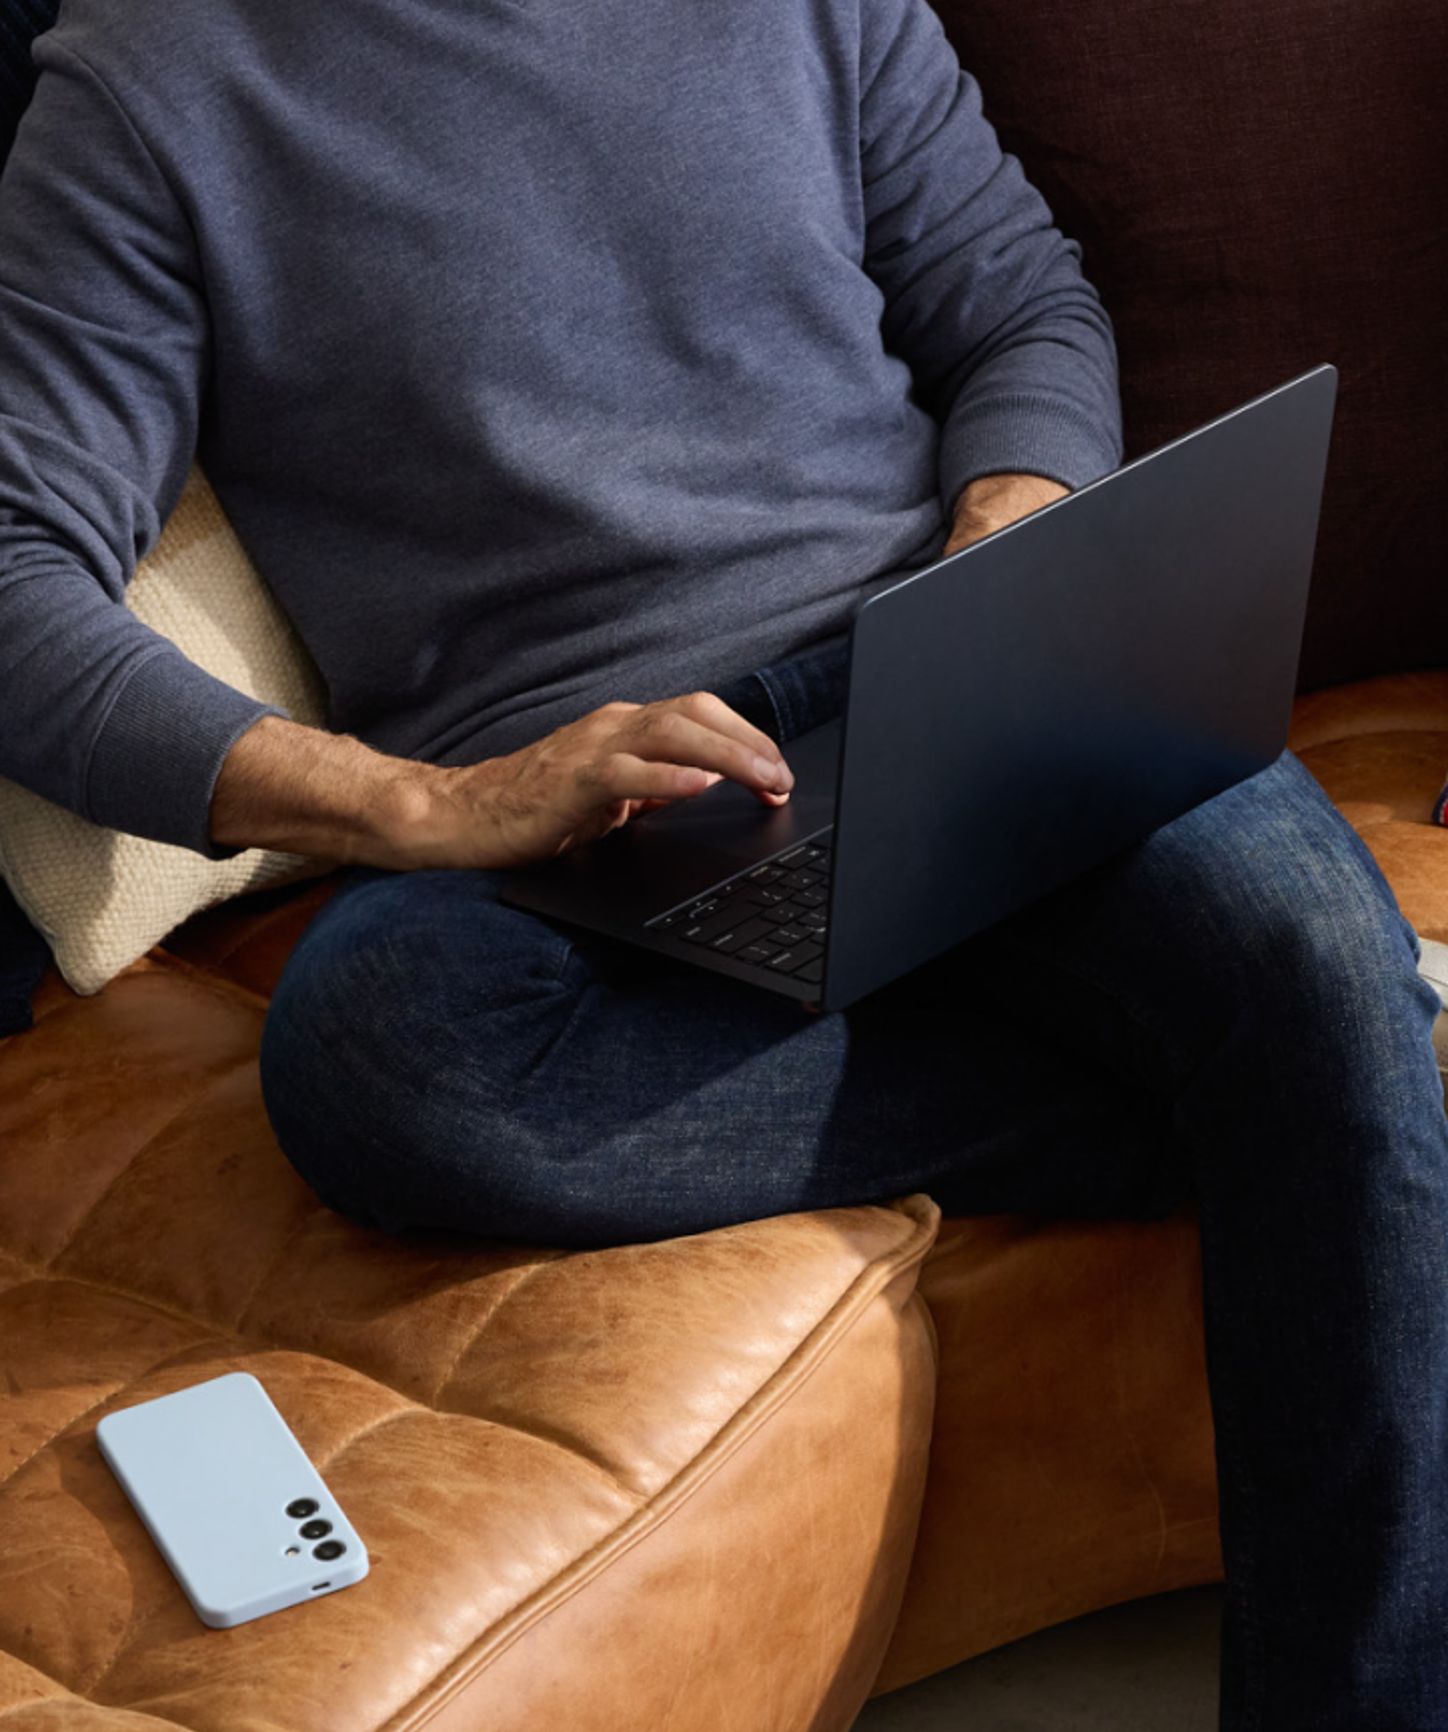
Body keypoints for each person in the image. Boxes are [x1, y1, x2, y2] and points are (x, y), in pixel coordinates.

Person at [0, 1, 1443, 1725]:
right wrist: (424, 808)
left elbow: (1017, 293)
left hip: (949, 661)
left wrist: (1014, 527)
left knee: (1302, 957)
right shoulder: (148, 89)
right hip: (573, 797)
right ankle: (1324, 1099)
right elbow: (16, 570)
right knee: (381, 1061)